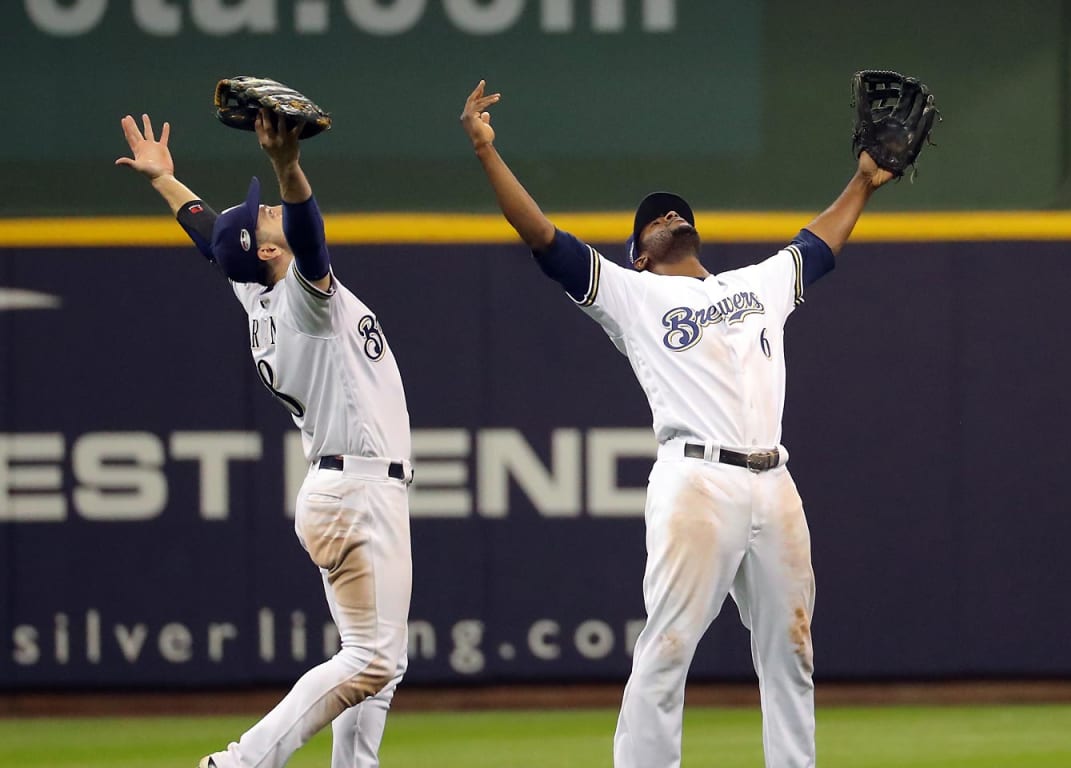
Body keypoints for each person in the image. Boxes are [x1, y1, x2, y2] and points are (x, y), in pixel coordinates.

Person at [458, 79, 895, 767]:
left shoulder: (755, 285)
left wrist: (865, 182)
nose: (666, 218)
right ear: (638, 251)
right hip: (696, 480)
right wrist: (487, 153)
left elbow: (819, 244)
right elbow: (541, 237)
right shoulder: (632, 294)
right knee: (667, 647)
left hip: (773, 482)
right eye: (653, 220)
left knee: (793, 650)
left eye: (674, 214)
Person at [115, 110, 414, 768]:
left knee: (375, 662)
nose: (269, 213)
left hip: (342, 488)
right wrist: (286, 166)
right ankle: (240, 762)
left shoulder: (255, 290)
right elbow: (307, 232)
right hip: (359, 490)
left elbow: (210, 236)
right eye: (263, 218)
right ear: (271, 254)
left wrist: (165, 180)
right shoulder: (303, 301)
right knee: (373, 659)